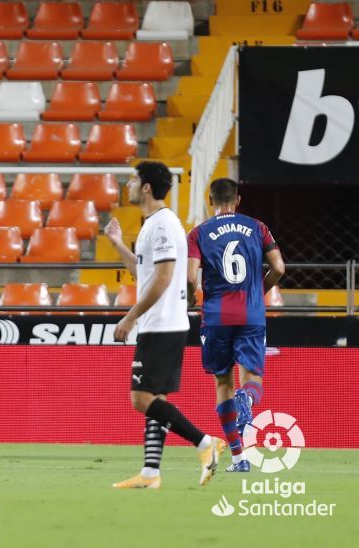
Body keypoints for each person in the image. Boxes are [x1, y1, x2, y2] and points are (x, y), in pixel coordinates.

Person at [105, 161, 225, 488]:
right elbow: (143, 273)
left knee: (141, 398)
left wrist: (130, 316)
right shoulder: (154, 224)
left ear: (146, 187)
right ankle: (150, 473)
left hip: (162, 323)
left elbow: (163, 278)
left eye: (133, 180)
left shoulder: (161, 225)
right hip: (162, 322)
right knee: (156, 400)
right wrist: (117, 244)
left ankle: (205, 443)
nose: (128, 185)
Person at [186, 178, 285, 472]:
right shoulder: (258, 227)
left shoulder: (198, 233)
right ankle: (247, 400)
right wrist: (259, 290)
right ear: (237, 200)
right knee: (252, 378)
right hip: (251, 315)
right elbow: (279, 267)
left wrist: (190, 298)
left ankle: (239, 457)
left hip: (216, 317)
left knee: (223, 384)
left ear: (210, 200)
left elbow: (191, 277)